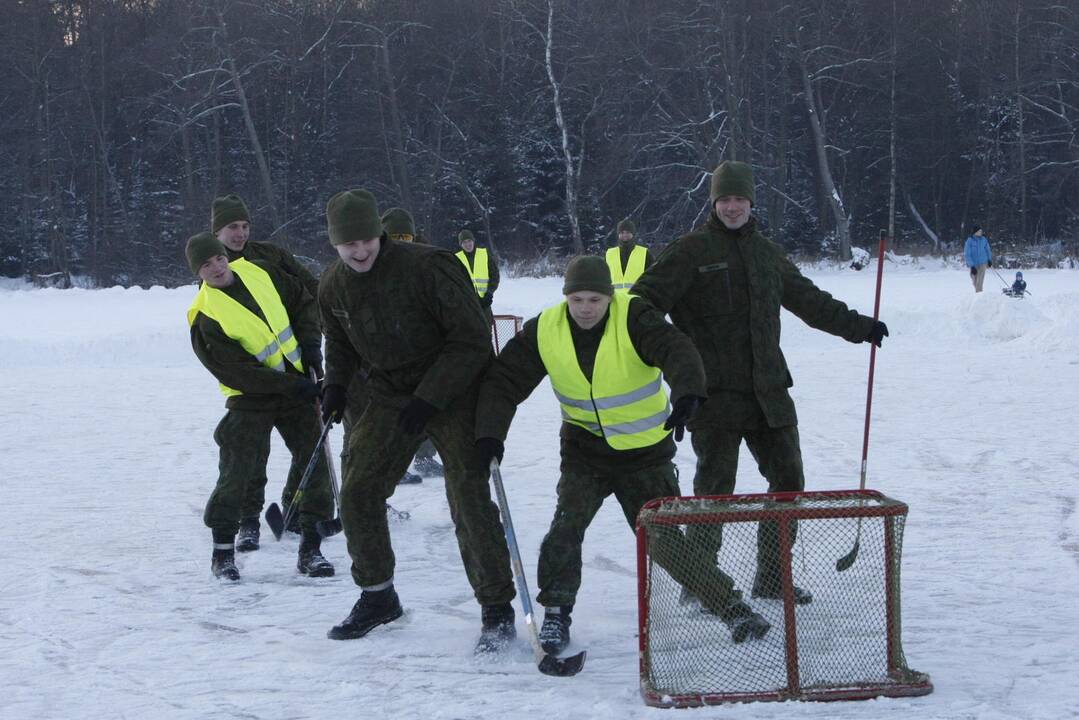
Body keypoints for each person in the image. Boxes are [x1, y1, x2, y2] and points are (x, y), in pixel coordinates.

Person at [475, 256, 771, 652]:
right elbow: (504, 381)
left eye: (595, 299)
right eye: (577, 298)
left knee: (664, 541)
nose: (585, 308)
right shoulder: (547, 329)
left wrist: (687, 392)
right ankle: (556, 615)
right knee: (565, 528)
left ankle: (732, 607)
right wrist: (491, 434)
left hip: (645, 457)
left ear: (609, 297)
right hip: (585, 453)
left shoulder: (634, 317)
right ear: (566, 297)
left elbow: (676, 349)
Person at [631, 160, 889, 605]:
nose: (732, 207)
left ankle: (772, 577)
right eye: (724, 199)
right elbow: (641, 303)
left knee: (788, 481)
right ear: (713, 202)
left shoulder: (767, 254)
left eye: (739, 198)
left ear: (751, 201)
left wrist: (859, 327)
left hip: (769, 391)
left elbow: (811, 301)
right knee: (715, 492)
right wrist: (677, 356)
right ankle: (701, 584)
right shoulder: (690, 251)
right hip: (714, 397)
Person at [317, 190, 516, 651]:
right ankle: (378, 595)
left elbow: (471, 341)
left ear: (379, 233)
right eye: (349, 245)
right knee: (359, 490)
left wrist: (429, 398)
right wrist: (335, 386)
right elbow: (340, 344)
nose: (360, 250)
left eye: (367, 239)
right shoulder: (332, 285)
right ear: (334, 245)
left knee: (467, 493)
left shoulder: (429, 267)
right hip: (390, 394)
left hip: (455, 390)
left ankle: (496, 607)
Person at [184, 232, 335, 581]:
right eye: (206, 265)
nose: (216, 267)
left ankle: (311, 548)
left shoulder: (260, 271)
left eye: (218, 258)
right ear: (198, 273)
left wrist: (312, 347)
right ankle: (223, 550)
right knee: (238, 468)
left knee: (316, 461)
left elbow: (301, 302)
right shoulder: (204, 314)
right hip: (251, 398)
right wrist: (293, 385)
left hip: (299, 385)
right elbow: (237, 371)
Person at [212, 194, 322, 549]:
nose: (240, 234)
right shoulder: (213, 268)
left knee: (310, 446)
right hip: (252, 384)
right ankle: (248, 520)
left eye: (244, 226)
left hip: (294, 368)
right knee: (252, 454)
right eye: (232, 227)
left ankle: (296, 506)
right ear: (217, 232)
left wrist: (312, 344)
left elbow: (309, 290)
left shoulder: (270, 256)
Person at [455, 230, 499, 323]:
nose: (468, 244)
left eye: (469, 241)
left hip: (484, 302)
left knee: (486, 331)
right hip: (466, 304)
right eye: (464, 242)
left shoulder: (484, 254)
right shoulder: (457, 258)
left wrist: (489, 293)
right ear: (461, 244)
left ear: (473, 241)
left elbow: (494, 276)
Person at [605, 219, 654, 293]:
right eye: (622, 232)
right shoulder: (609, 254)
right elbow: (603, 277)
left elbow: (652, 276)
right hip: (615, 300)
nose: (624, 235)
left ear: (633, 234)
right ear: (618, 234)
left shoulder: (644, 253)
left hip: (637, 299)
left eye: (627, 232)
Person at [964, 225, 993, 293]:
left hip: (983, 262)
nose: (981, 232)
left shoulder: (984, 239)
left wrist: (989, 260)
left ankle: (979, 296)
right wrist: (972, 266)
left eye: (981, 231)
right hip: (974, 264)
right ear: (975, 232)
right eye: (979, 231)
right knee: (975, 280)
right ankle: (978, 292)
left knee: (980, 280)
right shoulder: (969, 241)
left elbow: (988, 250)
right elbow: (967, 254)